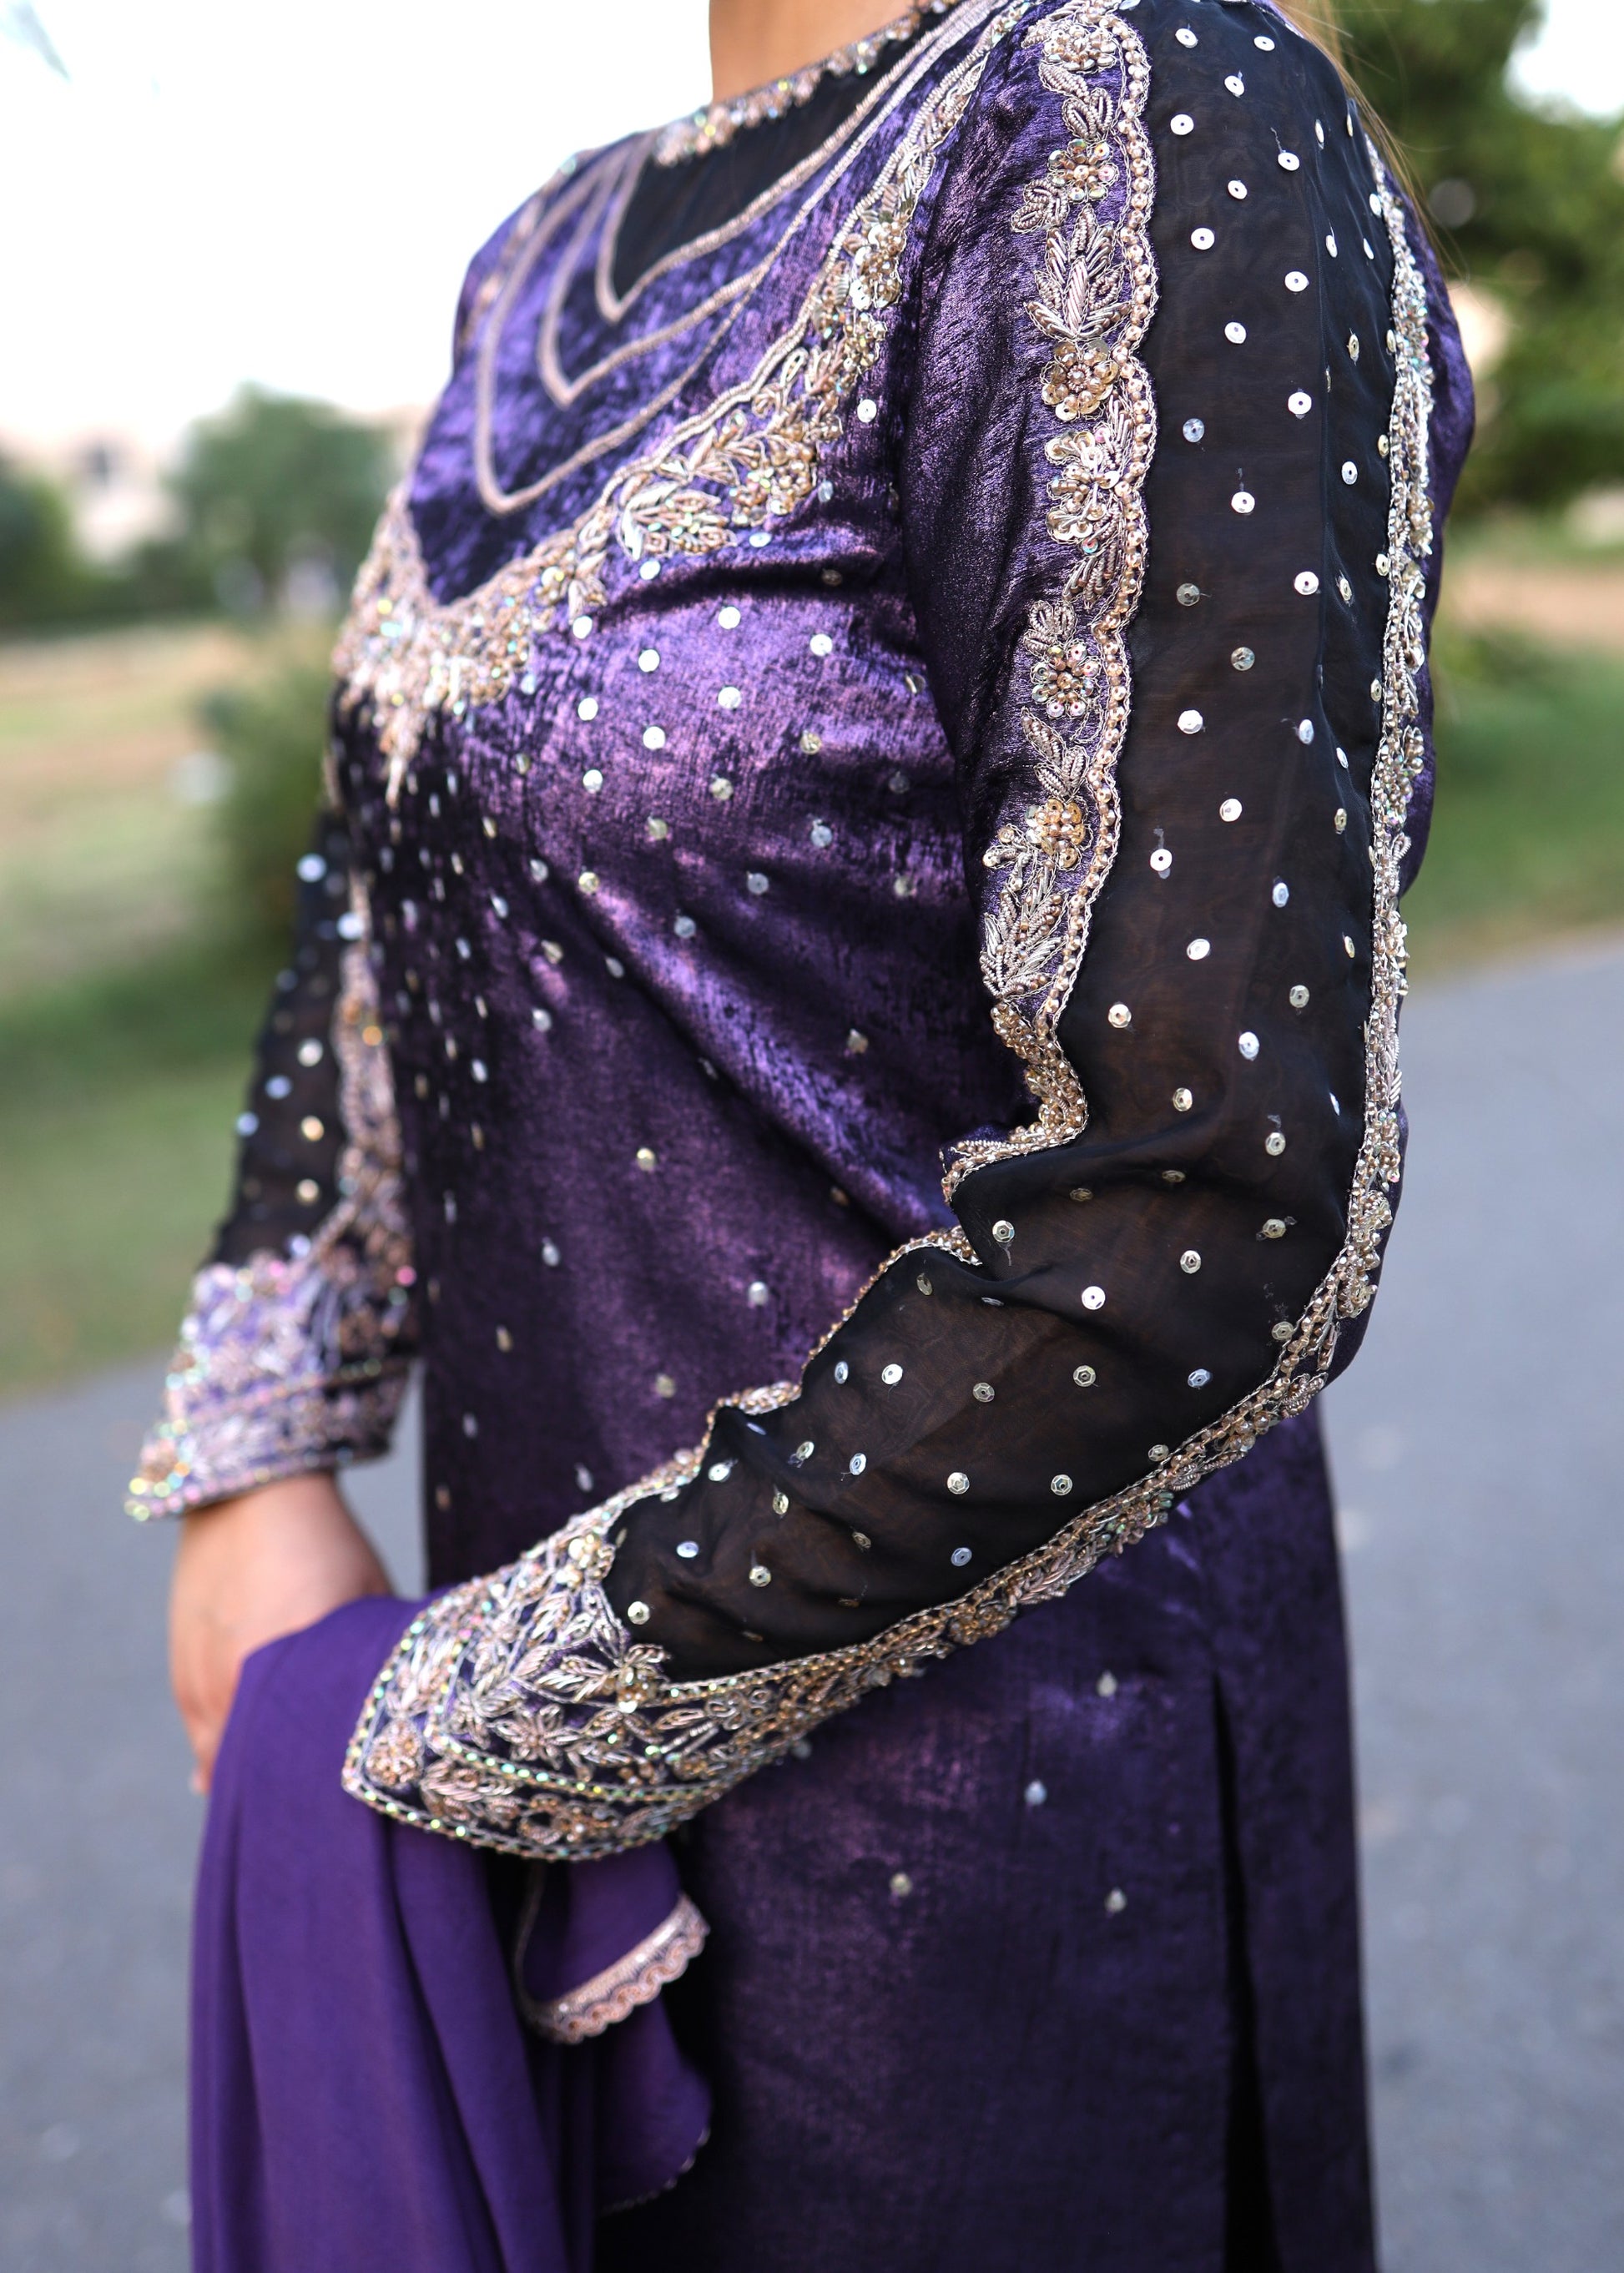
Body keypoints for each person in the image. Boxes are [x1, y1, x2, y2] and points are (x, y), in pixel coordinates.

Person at [132, 0, 1474, 2264]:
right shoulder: (539, 258)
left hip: (977, 1867)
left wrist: (485, 1709)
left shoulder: (1143, 107)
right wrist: (262, 1458)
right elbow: (384, 872)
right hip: (499, 1803)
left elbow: (1212, 1187)